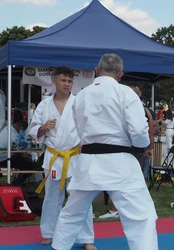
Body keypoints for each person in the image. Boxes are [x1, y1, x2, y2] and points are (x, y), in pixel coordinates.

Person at [50, 53, 158, 250]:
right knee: (140, 217)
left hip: (88, 160)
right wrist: (142, 145)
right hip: (119, 162)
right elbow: (139, 131)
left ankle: (58, 247)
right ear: (120, 74)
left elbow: (77, 128)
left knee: (72, 212)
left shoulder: (81, 95)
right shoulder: (126, 93)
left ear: (97, 71)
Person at [29, 66, 96, 249]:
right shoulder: (44, 105)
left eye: (69, 81)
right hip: (54, 156)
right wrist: (43, 128)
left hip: (75, 156)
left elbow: (89, 126)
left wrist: (86, 142)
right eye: (63, 80)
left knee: (81, 196)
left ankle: (86, 238)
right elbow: (33, 130)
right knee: (52, 196)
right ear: (54, 82)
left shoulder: (78, 102)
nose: (67, 84)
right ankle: (49, 233)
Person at [99, 84, 156, 219]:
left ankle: (117, 209)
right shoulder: (139, 109)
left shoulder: (141, 110)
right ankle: (133, 207)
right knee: (135, 177)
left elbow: (151, 130)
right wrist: (149, 147)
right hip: (129, 148)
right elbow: (151, 130)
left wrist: (149, 147)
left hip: (132, 149)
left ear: (139, 94)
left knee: (133, 178)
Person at [0, 119, 40, 186]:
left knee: (26, 161)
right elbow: (18, 150)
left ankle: (18, 182)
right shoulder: (14, 134)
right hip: (3, 158)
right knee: (28, 165)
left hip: (4, 155)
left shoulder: (7, 128)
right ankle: (17, 184)